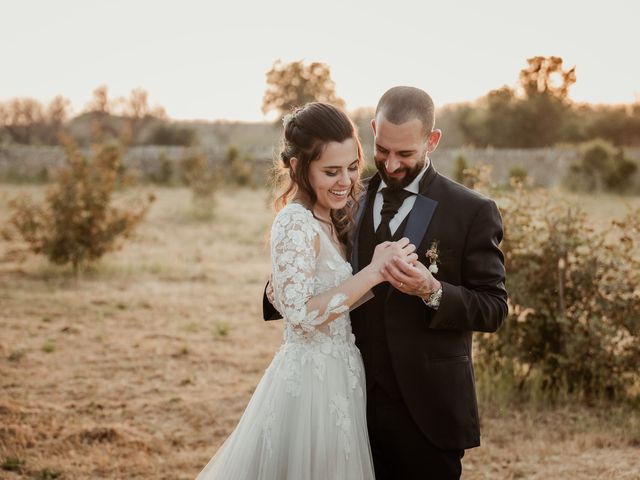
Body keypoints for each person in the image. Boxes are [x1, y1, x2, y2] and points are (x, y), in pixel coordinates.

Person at [264, 87, 508, 479]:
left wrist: (433, 290)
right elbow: (310, 271)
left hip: (427, 412)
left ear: (432, 141)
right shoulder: (347, 197)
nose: (391, 164)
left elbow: (494, 308)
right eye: (382, 150)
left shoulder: (471, 211)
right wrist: (276, 288)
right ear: (374, 130)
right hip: (347, 404)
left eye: (406, 154)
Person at [196, 102, 417, 479]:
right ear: (298, 167)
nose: (345, 181)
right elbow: (299, 316)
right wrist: (374, 273)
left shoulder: (331, 218)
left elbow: (333, 295)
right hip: (310, 386)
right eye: (330, 171)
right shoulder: (295, 222)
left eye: (351, 167)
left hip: (342, 375)